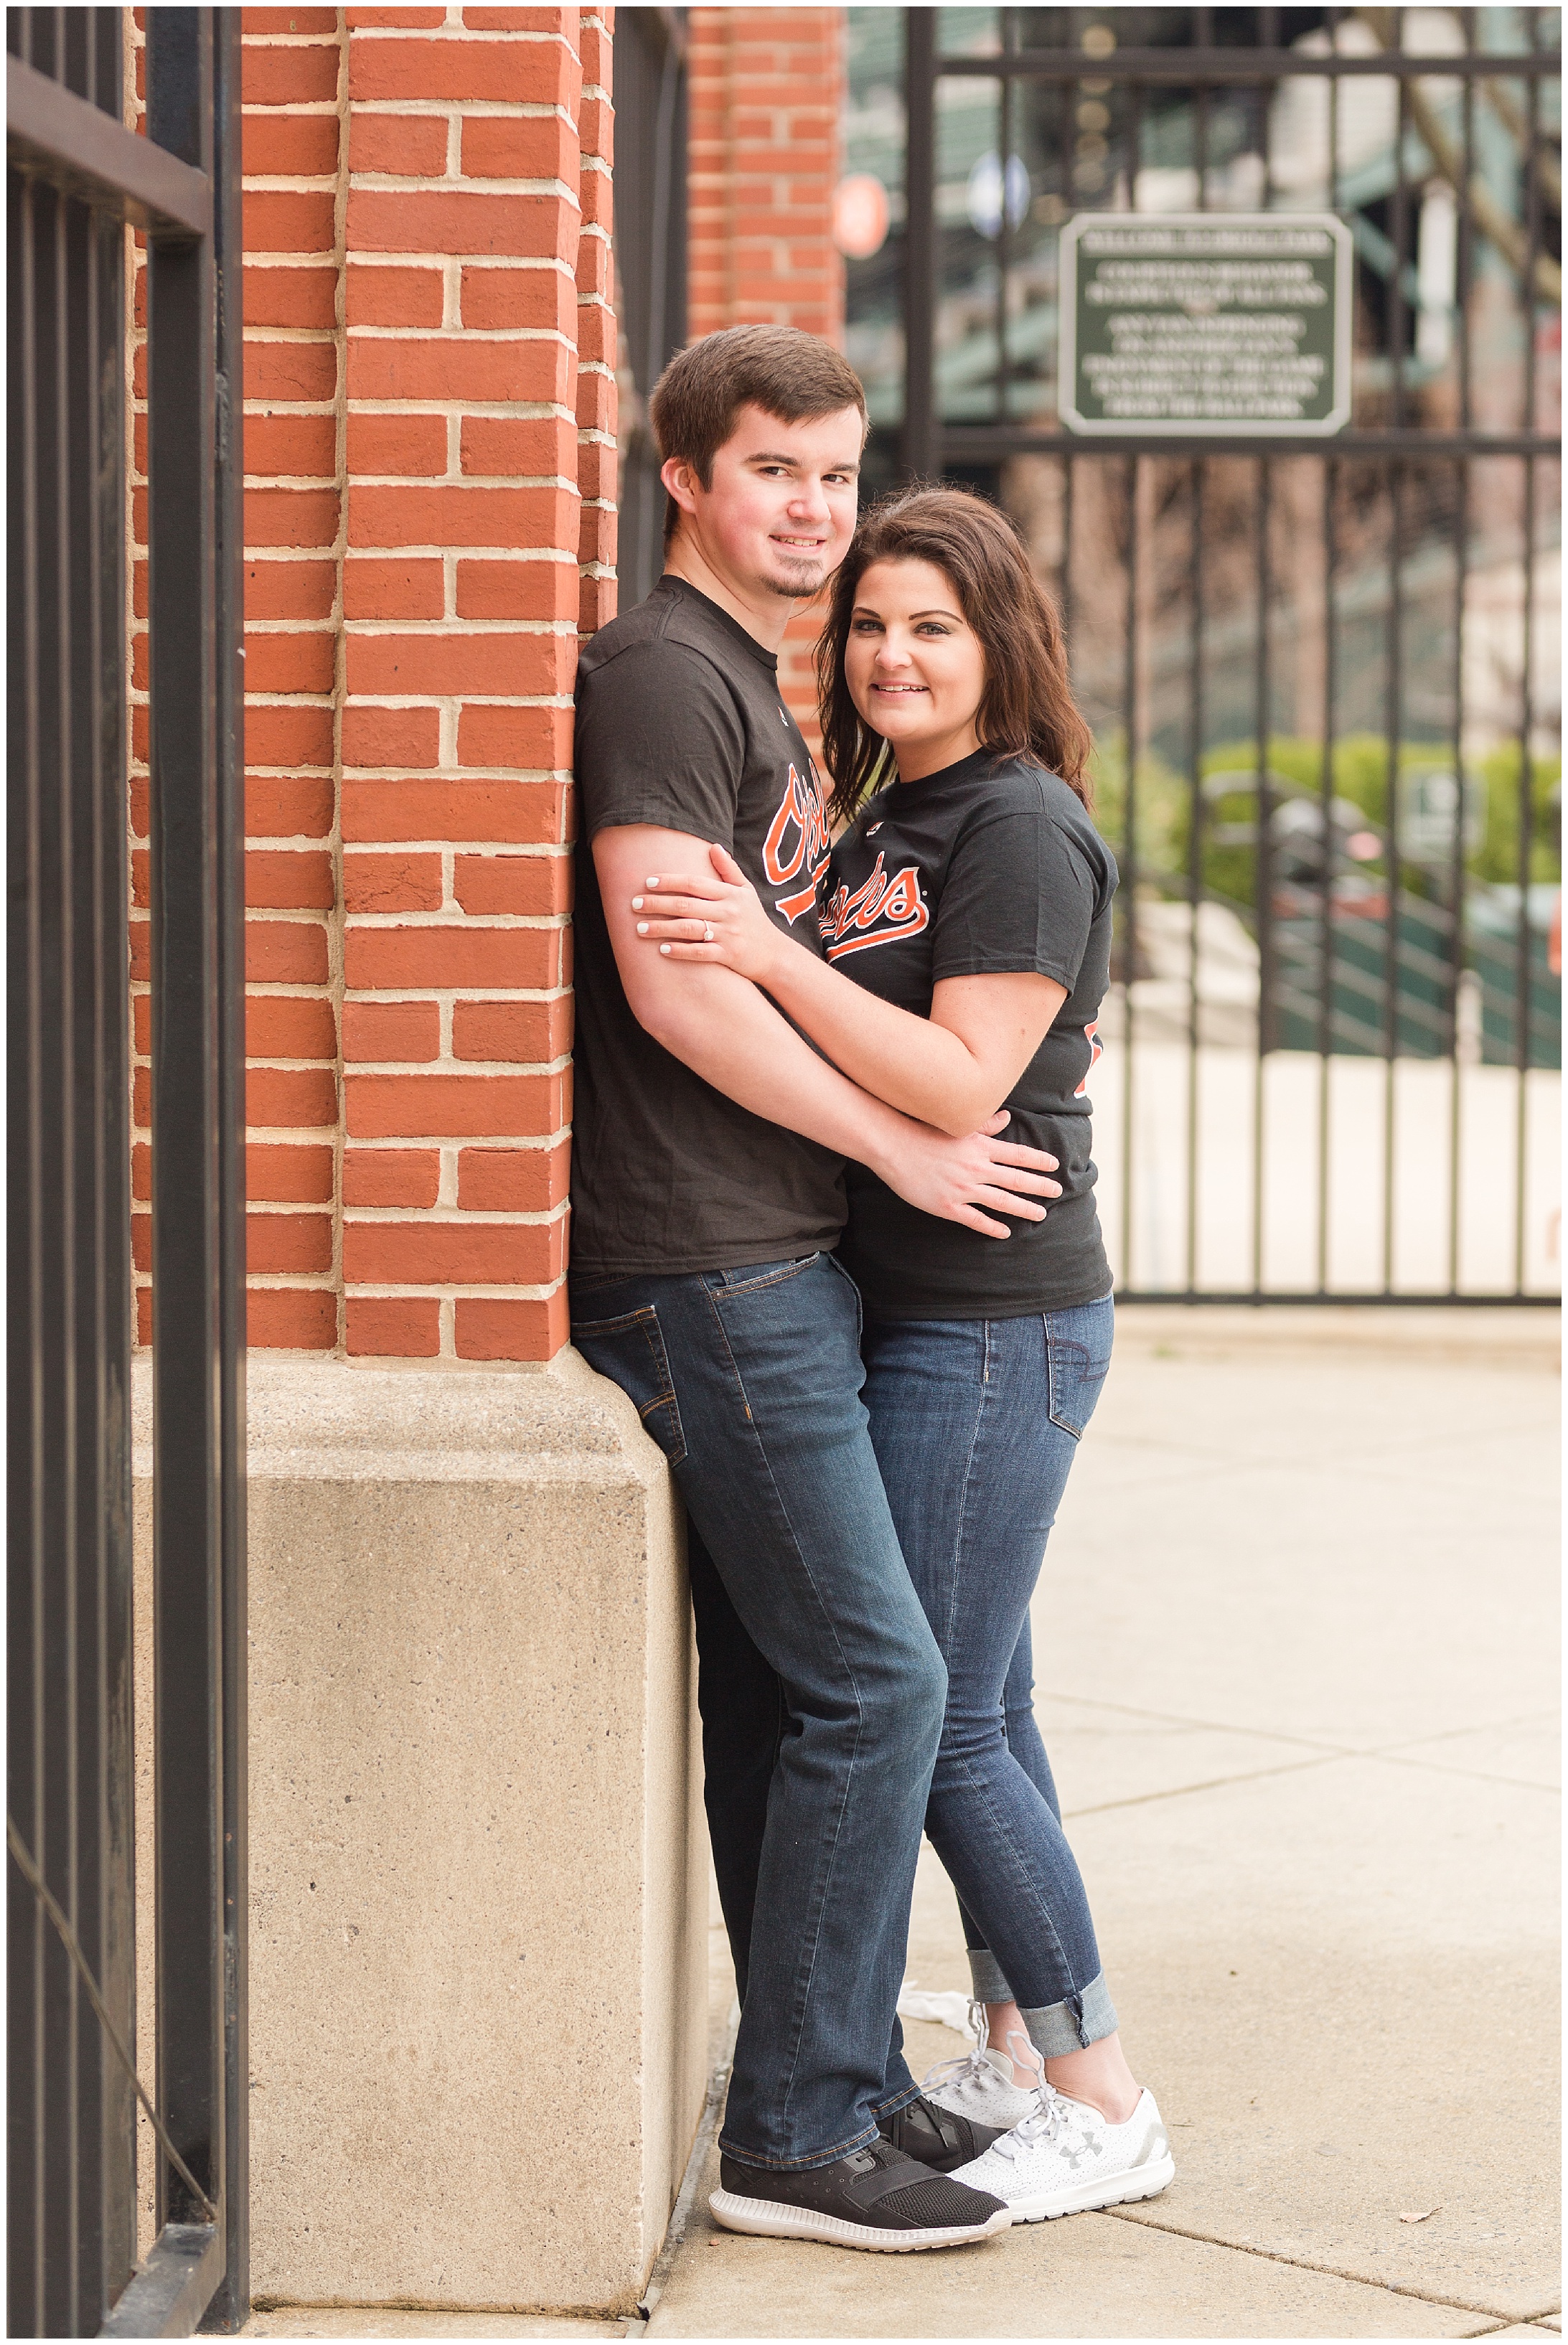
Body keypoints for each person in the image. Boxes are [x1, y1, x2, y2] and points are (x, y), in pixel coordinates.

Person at [568, 328, 1066, 2253]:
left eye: (835, 472)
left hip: (774, 1257)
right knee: (884, 1675)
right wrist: (899, 1147)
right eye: (774, 467)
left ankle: (834, 2074)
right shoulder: (656, 674)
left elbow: (768, 949)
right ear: (684, 471)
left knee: (797, 1689)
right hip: (706, 1260)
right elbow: (678, 983)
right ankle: (791, 2127)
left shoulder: (758, 696)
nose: (811, 508)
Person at [629, 484, 1174, 2224]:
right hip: (913, 1313)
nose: (891, 653)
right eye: (870, 623)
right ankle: (1019, 2053)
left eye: (931, 625)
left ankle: (1100, 2093)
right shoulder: (892, 811)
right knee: (979, 1699)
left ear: (999, 641)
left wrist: (771, 956)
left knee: (928, 1719)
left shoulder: (1013, 823)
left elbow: (957, 1081)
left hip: (993, 1323)